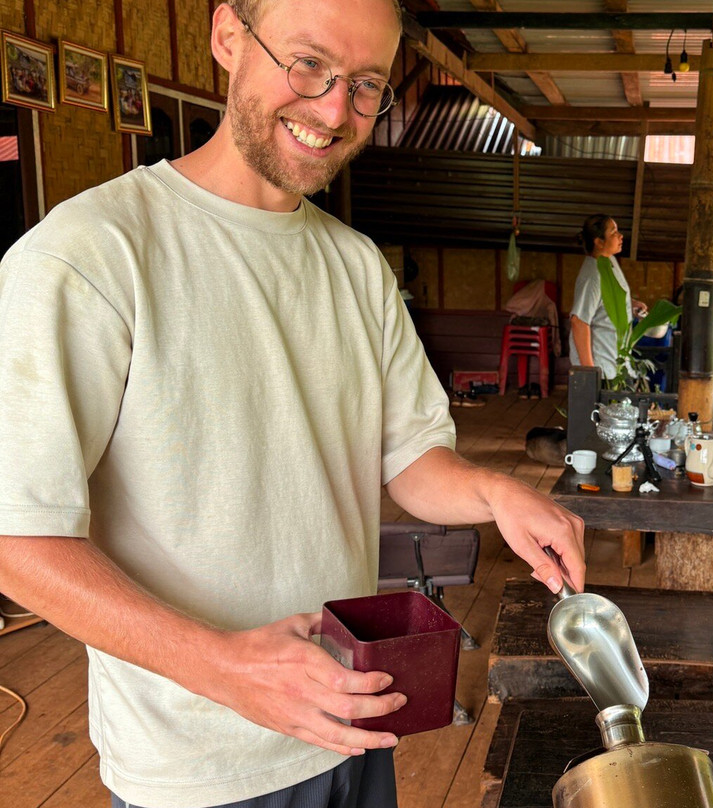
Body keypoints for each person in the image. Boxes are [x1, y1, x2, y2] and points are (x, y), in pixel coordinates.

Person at [0, 1, 585, 806]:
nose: (335, 109)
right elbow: (17, 539)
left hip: (350, 716)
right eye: (309, 64)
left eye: (368, 83)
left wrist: (496, 491)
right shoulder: (89, 257)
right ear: (229, 38)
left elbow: (410, 457)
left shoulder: (355, 266)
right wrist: (226, 669)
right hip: (201, 763)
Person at [568, 214, 648, 381]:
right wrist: (590, 372)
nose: (620, 236)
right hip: (602, 368)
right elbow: (579, 322)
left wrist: (630, 304)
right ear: (599, 242)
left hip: (616, 364)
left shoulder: (609, 262)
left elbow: (608, 298)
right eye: (613, 233)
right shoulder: (593, 275)